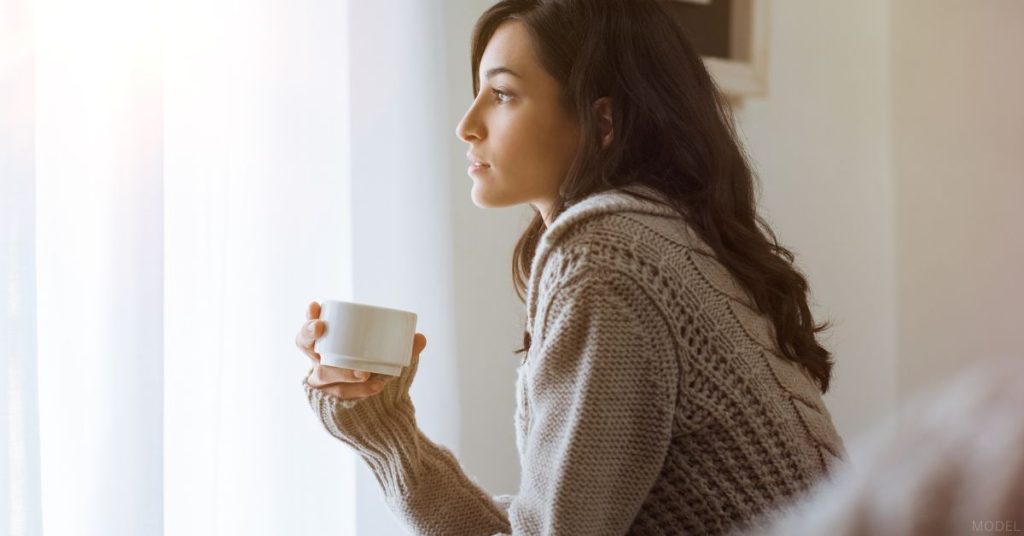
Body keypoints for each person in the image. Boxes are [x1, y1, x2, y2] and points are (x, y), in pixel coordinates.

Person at [296, 0, 846, 534]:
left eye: (503, 94)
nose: (467, 125)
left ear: (601, 120)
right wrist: (384, 428)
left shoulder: (609, 257)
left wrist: (388, 435)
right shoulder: (659, 237)